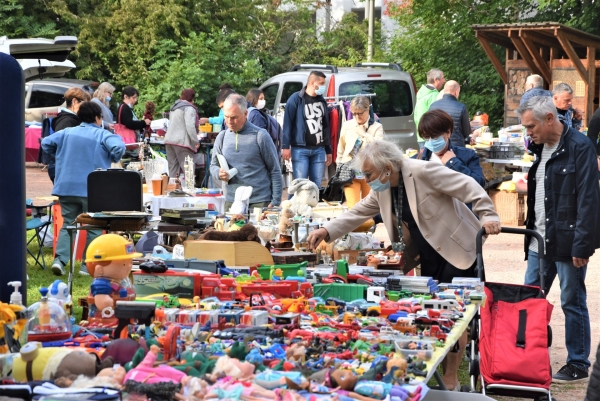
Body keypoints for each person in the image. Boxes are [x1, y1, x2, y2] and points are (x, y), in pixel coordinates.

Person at [307, 139, 501, 391]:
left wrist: (489, 215)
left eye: (369, 174)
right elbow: (358, 212)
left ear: (387, 167)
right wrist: (326, 230)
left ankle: (451, 377)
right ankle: (438, 368)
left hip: (459, 248)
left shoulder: (423, 171)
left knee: (458, 314)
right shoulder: (383, 188)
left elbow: (469, 186)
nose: (367, 180)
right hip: (428, 253)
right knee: (438, 312)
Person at [517, 96, 600, 383]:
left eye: (531, 126)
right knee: (530, 298)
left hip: (567, 241)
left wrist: (582, 244)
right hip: (538, 240)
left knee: (571, 300)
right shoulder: (540, 148)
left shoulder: (579, 146)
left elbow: (590, 199)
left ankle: (578, 362)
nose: (528, 132)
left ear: (550, 118)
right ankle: (524, 357)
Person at [41, 101, 126, 276]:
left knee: (68, 224)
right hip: (92, 188)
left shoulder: (66, 133)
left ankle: (60, 260)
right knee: (93, 227)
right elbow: (119, 148)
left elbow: (46, 143)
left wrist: (60, 154)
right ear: (97, 118)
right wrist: (111, 156)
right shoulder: (102, 134)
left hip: (66, 187)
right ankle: (87, 265)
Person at [210, 94, 282, 211]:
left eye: (234, 117)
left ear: (245, 114)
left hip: (259, 202)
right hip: (231, 201)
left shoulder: (260, 135)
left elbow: (274, 169)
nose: (229, 121)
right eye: (226, 117)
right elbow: (213, 166)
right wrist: (219, 173)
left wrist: (275, 202)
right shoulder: (222, 137)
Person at [282, 71, 332, 188]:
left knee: (316, 186)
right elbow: (287, 124)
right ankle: (293, 206)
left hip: (319, 149)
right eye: (321, 83)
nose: (323, 86)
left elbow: (325, 126)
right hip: (300, 149)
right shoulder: (296, 99)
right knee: (300, 186)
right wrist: (285, 146)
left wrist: (328, 149)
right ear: (312, 82)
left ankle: (313, 207)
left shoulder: (321, 101)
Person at [336, 95, 384, 213]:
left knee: (370, 208)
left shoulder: (377, 127)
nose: (357, 116)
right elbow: (341, 147)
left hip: (370, 173)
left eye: (360, 113)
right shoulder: (347, 125)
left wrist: (364, 134)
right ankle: (356, 231)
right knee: (354, 209)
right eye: (354, 113)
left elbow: (379, 148)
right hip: (350, 172)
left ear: (367, 110)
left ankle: (367, 231)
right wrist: (339, 165)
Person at [418, 109, 484, 189]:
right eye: (426, 137)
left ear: (448, 133)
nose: (431, 141)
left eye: (435, 136)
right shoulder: (419, 159)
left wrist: (453, 163)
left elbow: (479, 185)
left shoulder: (467, 155)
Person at [48, 88, 92, 183]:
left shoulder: (68, 119)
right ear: (74, 101)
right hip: (61, 167)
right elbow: (64, 147)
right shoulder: (68, 121)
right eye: (84, 104)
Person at [165, 89, 200, 179]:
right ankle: (190, 190)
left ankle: (173, 190)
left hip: (169, 141)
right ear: (192, 98)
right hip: (182, 142)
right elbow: (190, 126)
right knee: (189, 170)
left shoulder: (174, 108)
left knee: (173, 170)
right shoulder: (189, 108)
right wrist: (196, 141)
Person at [429, 80, 471, 147]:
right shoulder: (461, 107)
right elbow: (466, 132)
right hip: (456, 147)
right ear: (456, 92)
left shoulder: (432, 106)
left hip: (437, 147)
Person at [413, 68, 446, 148]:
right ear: (436, 80)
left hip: (421, 135)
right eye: (443, 78)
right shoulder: (433, 95)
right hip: (431, 137)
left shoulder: (421, 93)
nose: (444, 81)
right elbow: (437, 116)